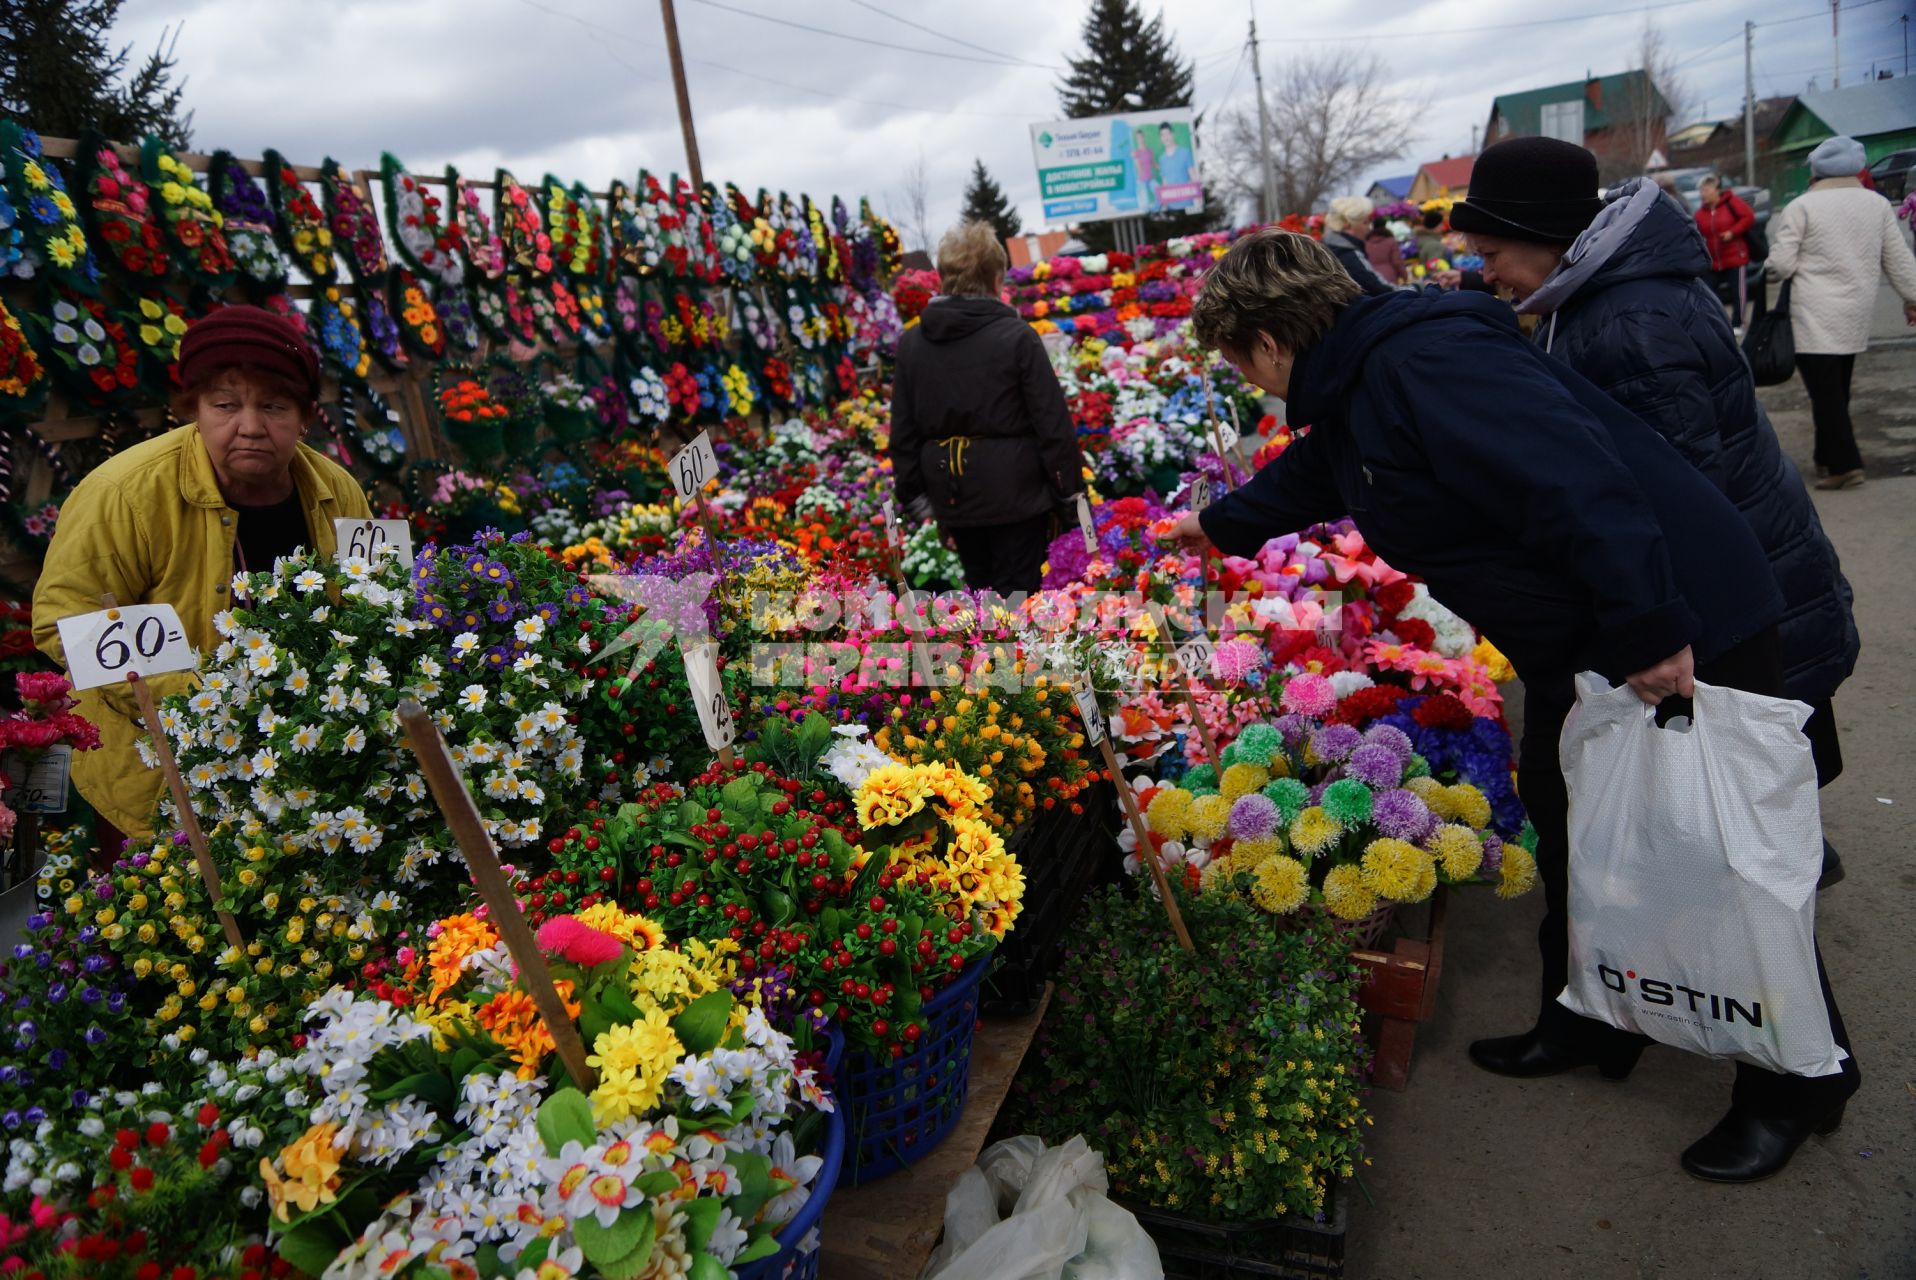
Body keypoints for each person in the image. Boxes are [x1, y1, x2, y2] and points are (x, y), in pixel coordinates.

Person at [1163, 228, 1858, 1183]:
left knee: (1720, 851)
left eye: (1241, 359)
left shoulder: (1427, 362)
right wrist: (1220, 523)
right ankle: (1594, 1016)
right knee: (1575, 827)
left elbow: (1577, 483)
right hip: (1589, 638)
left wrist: (1650, 630)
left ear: (1272, 341)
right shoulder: (1367, 383)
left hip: (1678, 617)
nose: (1251, 380)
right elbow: (1325, 471)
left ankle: (1796, 1083)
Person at [1452, 135, 1859, 887]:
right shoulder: (1602, 293)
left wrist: (1648, 621)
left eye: (1492, 251)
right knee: (1755, 778)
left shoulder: (1625, 323)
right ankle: (1781, 870)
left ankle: (1768, 914)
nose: (1487, 273)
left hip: (1739, 585)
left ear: (1544, 238)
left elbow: (1675, 499)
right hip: (1758, 564)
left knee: (1743, 785)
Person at [33, 305, 372, 859]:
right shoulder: (125, 493)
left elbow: (376, 603)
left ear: (307, 415)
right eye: (224, 405)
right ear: (192, 410)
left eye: (274, 406)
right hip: (158, 776)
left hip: (307, 766)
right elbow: (63, 621)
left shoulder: (337, 491)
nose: (250, 426)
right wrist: (208, 707)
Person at [888, 221, 1085, 594]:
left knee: (981, 593)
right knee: (1021, 597)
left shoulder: (913, 344)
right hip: (1019, 499)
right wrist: (1070, 500)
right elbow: (1052, 426)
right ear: (997, 280)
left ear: (943, 279)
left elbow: (903, 433)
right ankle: (1014, 652)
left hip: (953, 496)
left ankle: (992, 652)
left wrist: (920, 502)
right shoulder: (1016, 338)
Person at [1768, 135, 1916, 491]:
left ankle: (1845, 465)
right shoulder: (1877, 205)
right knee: (1836, 392)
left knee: (1826, 395)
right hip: (1855, 314)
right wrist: (1912, 300)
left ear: (1816, 171)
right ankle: (1825, 455)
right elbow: (1898, 260)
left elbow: (1782, 266)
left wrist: (1770, 268)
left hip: (1812, 315)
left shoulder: (1802, 207)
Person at [1694, 175, 1762, 329]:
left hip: (1735, 257)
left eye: (1706, 190)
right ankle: (1717, 323)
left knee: (1738, 293)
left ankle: (1738, 323)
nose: (1702, 194)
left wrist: (1732, 232)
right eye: (1701, 191)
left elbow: (1748, 217)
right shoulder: (1700, 214)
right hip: (1714, 262)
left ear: (1716, 191)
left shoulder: (1732, 203)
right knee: (1709, 293)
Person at [1322, 195, 1393, 295]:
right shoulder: (1347, 254)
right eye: (1365, 222)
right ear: (1348, 224)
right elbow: (1379, 289)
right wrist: (1415, 288)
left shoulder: (1327, 248)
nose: (1369, 228)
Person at [1364, 216, 1407, 285]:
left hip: (1372, 277)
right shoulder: (1390, 241)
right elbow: (1397, 261)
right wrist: (1404, 276)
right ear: (1385, 226)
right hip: (1390, 276)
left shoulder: (1366, 242)